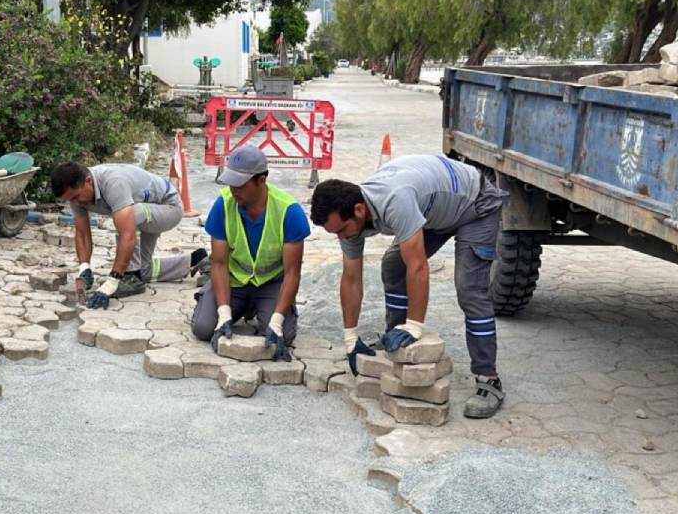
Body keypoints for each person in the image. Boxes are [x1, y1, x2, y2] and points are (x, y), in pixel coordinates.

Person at [309, 155, 508, 419]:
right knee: (393, 266)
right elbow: (351, 278)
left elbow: (418, 268)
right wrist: (350, 339)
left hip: (475, 204)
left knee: (469, 288)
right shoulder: (349, 219)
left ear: (358, 210)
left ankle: (488, 378)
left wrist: (415, 326)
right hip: (436, 211)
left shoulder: (395, 201)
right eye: (335, 233)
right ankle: (396, 341)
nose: (341, 237)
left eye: (342, 230)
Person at [190, 146, 310, 361]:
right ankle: (232, 308)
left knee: (282, 336)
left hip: (271, 283)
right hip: (234, 281)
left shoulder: (289, 211)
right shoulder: (223, 205)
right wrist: (223, 314)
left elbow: (292, 273)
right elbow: (219, 264)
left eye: (240, 184)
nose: (233, 190)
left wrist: (277, 320)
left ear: (261, 180)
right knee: (203, 328)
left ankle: (267, 310)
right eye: (230, 183)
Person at [50, 162, 206, 309]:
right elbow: (82, 233)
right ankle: (196, 259)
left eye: (76, 197)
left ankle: (130, 277)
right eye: (70, 200)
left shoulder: (113, 183)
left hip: (168, 208)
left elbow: (128, 235)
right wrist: (84, 268)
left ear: (88, 181)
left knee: (128, 217)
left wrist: (113, 281)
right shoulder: (77, 194)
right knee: (143, 271)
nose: (76, 203)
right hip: (145, 213)